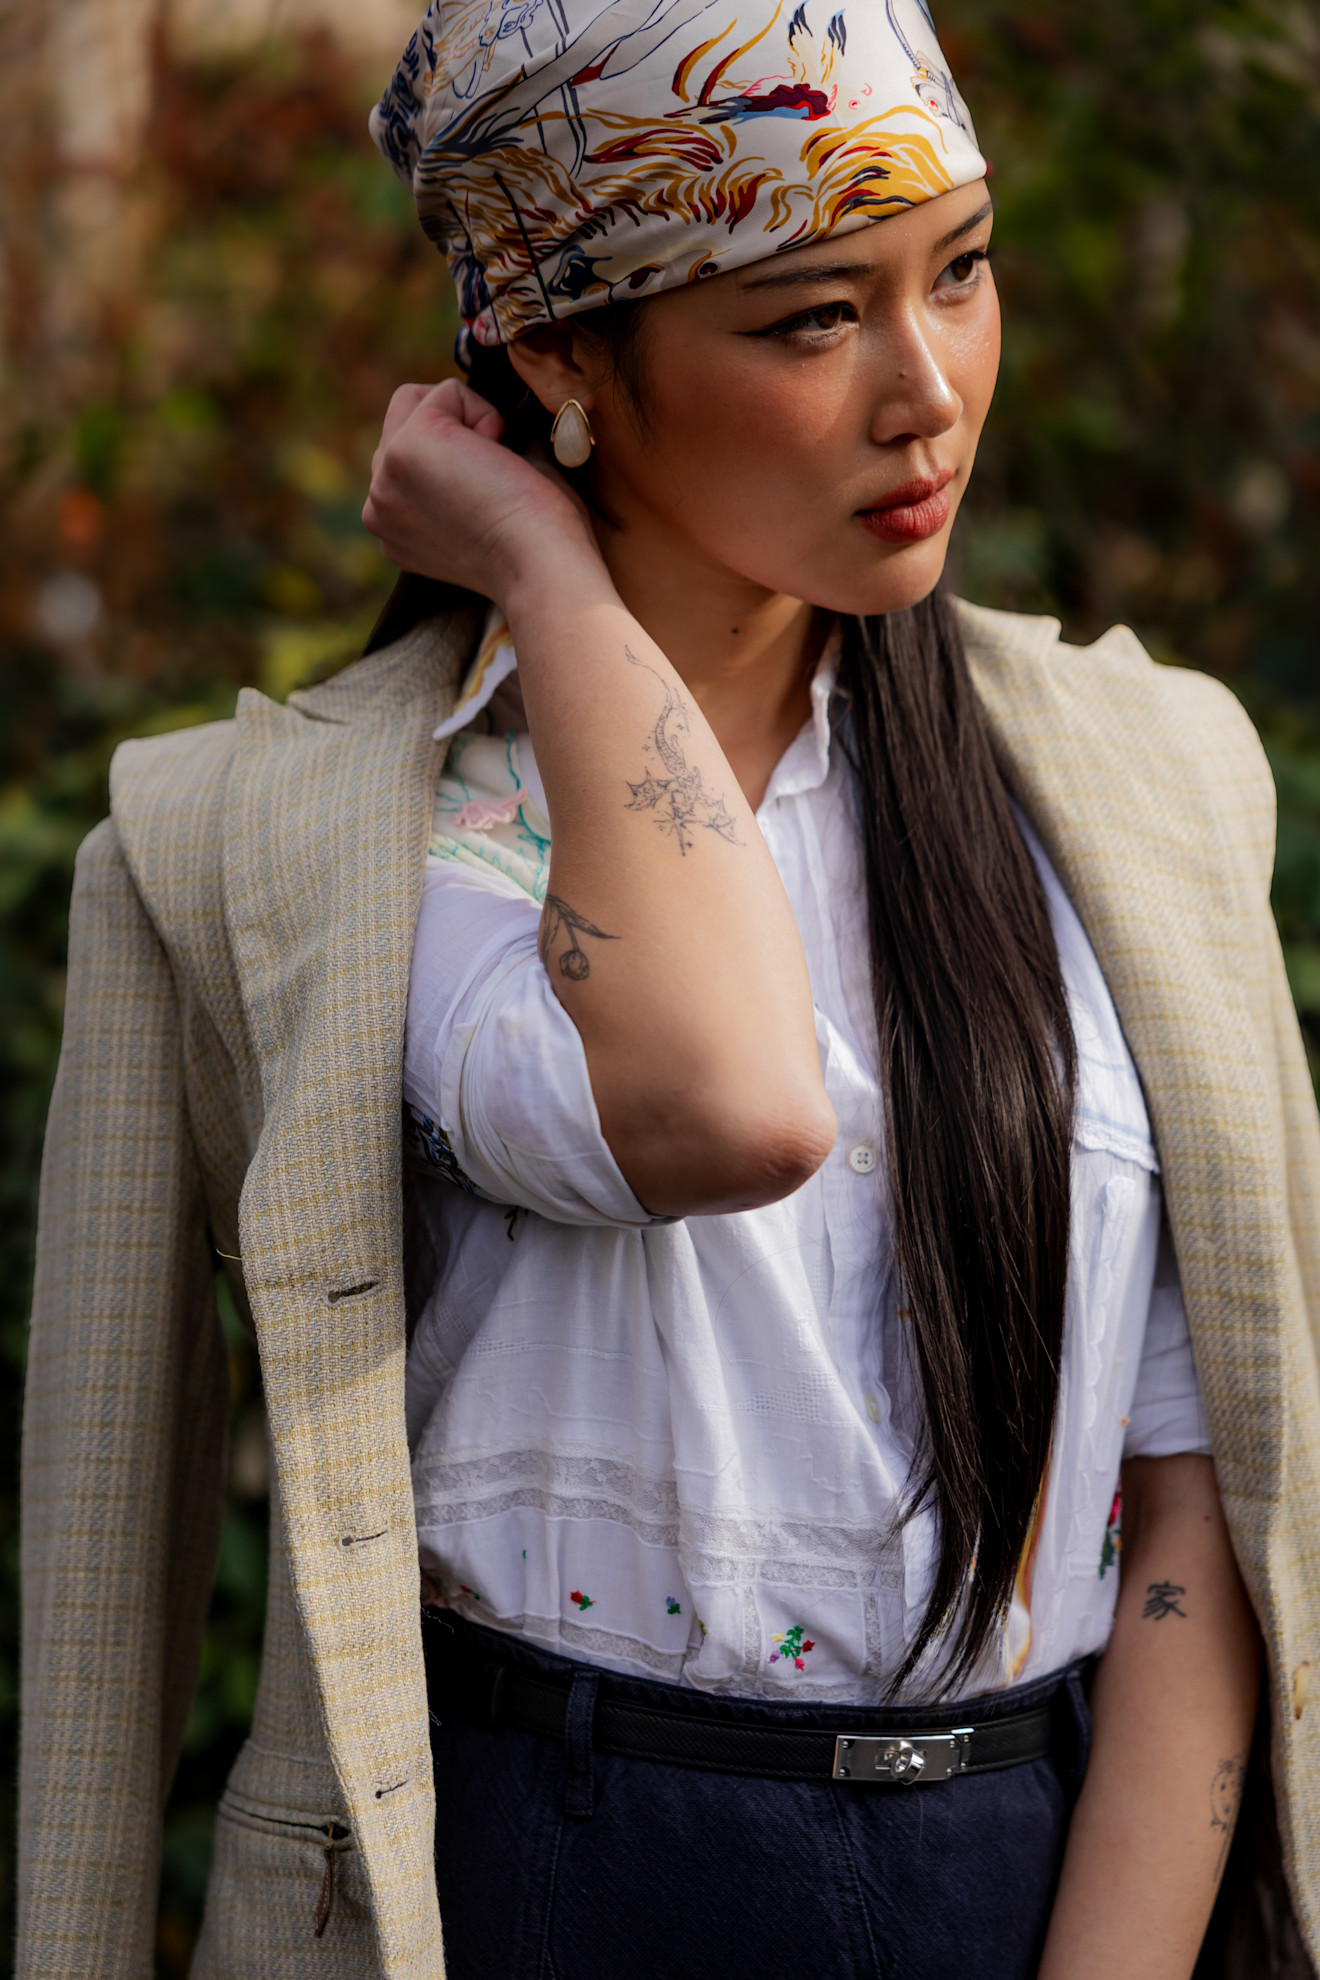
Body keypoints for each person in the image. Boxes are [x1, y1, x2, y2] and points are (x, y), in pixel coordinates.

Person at [16, 3, 1320, 1977]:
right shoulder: (304, 851)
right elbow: (729, 1101)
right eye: (809, 318)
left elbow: (1193, 1499)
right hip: (529, 1883)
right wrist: (552, 589)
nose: (928, 395)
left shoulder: (1146, 785)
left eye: (957, 274)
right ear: (559, 358)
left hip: (1038, 1872)